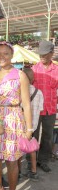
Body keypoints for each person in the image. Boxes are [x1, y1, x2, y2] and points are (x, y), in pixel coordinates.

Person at [0, 41, 32, 190]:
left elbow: (27, 105)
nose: (2, 57)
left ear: (12, 55)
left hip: (14, 119)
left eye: (5, 53)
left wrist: (29, 129)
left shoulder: (20, 75)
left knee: (12, 161)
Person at [32, 40, 58, 172]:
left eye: (45, 54)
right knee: (33, 136)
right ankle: (32, 161)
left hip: (51, 109)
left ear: (51, 54)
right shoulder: (34, 69)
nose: (42, 57)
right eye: (40, 54)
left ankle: (43, 160)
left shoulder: (57, 70)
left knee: (47, 137)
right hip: (36, 109)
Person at [20, 67, 44, 181]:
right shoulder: (39, 92)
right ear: (33, 79)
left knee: (19, 148)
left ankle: (18, 171)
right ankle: (33, 171)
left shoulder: (19, 91)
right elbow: (41, 109)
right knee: (32, 148)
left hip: (21, 125)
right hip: (33, 126)